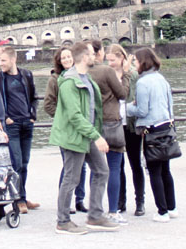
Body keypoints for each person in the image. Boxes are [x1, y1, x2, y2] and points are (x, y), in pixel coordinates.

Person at [50, 42, 118, 235]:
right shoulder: (69, 82)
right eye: (91, 54)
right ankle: (63, 221)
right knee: (71, 178)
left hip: (87, 135)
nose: (94, 56)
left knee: (102, 171)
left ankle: (95, 216)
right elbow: (74, 116)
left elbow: (91, 111)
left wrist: (95, 134)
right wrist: (97, 136)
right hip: (74, 137)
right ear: (83, 57)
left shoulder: (86, 79)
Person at [126, 47, 176, 223]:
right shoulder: (161, 79)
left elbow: (142, 110)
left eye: (136, 61)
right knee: (166, 170)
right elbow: (170, 105)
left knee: (154, 171)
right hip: (166, 126)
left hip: (151, 130)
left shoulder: (142, 83)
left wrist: (128, 107)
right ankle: (172, 207)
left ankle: (162, 211)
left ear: (142, 62)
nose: (134, 64)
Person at [88, 40, 127, 226]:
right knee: (114, 167)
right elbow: (122, 93)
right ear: (99, 53)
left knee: (95, 168)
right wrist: (125, 75)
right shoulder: (106, 71)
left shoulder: (83, 72)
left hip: (93, 124)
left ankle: (94, 209)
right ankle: (113, 210)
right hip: (111, 121)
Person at [44, 47, 87, 214]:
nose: (67, 60)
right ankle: (65, 203)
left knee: (82, 166)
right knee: (69, 166)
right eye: (64, 58)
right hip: (67, 129)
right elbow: (48, 105)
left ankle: (80, 199)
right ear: (59, 61)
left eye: (69, 56)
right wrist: (63, 117)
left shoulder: (82, 75)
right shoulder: (55, 79)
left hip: (81, 127)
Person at [0, 46, 39, 214]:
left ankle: (22, 195)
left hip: (27, 123)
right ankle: (18, 200)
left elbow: (34, 97)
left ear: (13, 59)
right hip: (12, 125)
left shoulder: (26, 75)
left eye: (3, 60)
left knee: (25, 163)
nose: (0, 63)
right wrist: (6, 117)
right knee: (17, 163)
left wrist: (33, 115)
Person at [109, 44, 145, 217]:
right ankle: (120, 201)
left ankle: (140, 201)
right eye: (108, 60)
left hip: (130, 124)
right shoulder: (108, 75)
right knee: (118, 165)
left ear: (121, 58)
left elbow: (138, 97)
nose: (110, 63)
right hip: (115, 125)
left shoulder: (133, 75)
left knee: (135, 163)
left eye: (112, 60)